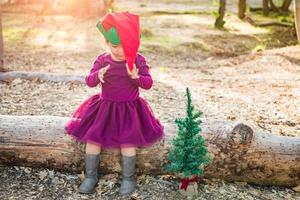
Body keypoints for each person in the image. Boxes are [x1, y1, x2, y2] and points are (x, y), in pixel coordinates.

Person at [64, 11, 164, 196]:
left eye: (125, 47)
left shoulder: (138, 60)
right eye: (115, 46)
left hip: (130, 110)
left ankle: (128, 178)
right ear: (107, 43)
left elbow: (148, 83)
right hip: (105, 108)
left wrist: (136, 76)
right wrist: (97, 75)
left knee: (128, 143)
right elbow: (89, 80)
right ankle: (91, 176)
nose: (119, 51)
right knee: (93, 140)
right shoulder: (102, 60)